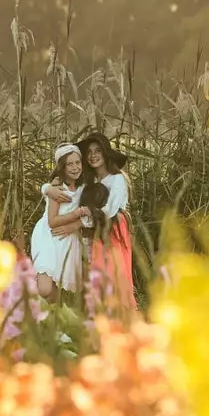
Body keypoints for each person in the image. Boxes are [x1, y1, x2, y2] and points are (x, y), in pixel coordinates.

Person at [76, 130, 134, 308]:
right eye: (89, 152)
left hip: (112, 230)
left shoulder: (117, 179)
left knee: (111, 274)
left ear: (105, 153)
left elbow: (110, 210)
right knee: (94, 274)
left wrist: (82, 220)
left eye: (97, 151)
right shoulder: (89, 181)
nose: (93, 156)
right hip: (93, 232)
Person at [30, 143, 92, 298]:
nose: (75, 167)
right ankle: (23, 291)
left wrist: (80, 220)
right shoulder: (57, 187)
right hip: (49, 236)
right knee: (45, 288)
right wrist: (77, 213)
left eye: (77, 163)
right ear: (62, 167)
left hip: (69, 238)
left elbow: (93, 214)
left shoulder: (84, 188)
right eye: (69, 164)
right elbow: (52, 221)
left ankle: (50, 315)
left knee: (60, 288)